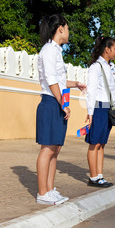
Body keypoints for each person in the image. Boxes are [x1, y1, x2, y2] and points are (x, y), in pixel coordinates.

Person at [36, 14, 86, 205]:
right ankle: (42, 192)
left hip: (56, 101)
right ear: (60, 29)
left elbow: (59, 79)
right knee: (47, 149)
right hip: (50, 102)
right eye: (68, 27)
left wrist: (76, 84)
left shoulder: (56, 51)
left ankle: (50, 189)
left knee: (56, 149)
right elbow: (51, 80)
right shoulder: (49, 50)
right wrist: (62, 103)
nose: (69, 31)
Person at [85, 36, 115, 187]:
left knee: (102, 143)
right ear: (107, 49)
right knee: (94, 143)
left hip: (107, 108)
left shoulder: (110, 67)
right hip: (98, 107)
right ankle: (93, 178)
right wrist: (90, 113)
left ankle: (100, 175)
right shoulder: (96, 67)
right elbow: (91, 92)